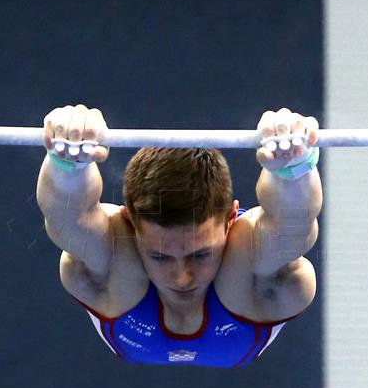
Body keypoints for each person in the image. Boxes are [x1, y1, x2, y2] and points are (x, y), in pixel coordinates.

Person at [37, 104, 322, 368]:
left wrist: (293, 167)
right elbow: (68, 219)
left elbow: (294, 226)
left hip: (239, 291)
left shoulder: (246, 259)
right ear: (131, 221)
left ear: (229, 218)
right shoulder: (118, 259)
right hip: (219, 318)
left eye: (199, 254)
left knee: (258, 251)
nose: (182, 277)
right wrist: (67, 164)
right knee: (102, 249)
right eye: (160, 256)